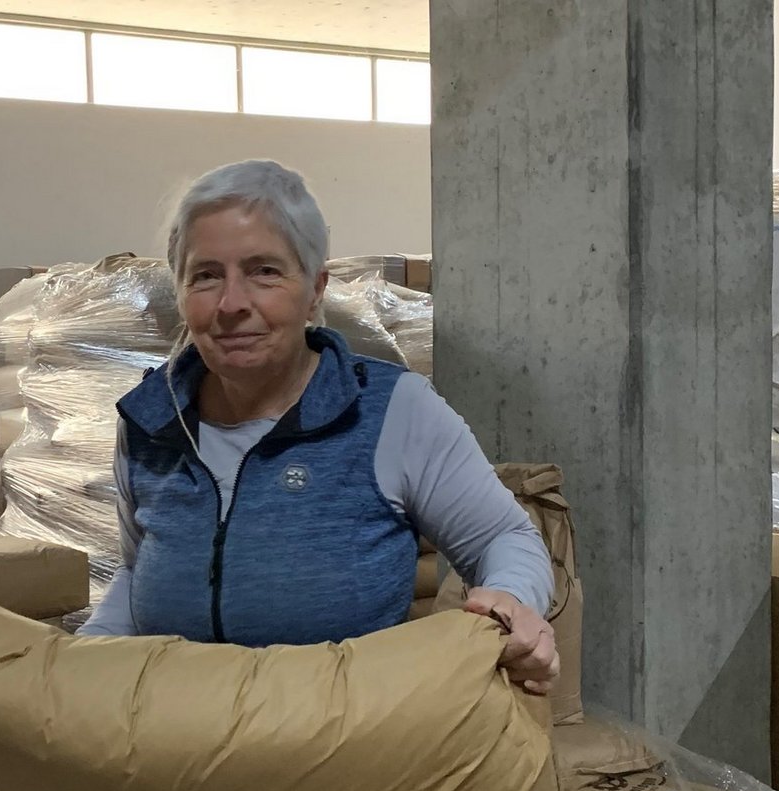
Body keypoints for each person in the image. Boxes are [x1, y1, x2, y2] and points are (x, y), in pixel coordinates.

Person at [78, 159, 559, 693]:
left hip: (343, 736)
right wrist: (87, 656)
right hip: (177, 734)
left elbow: (503, 537)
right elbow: (137, 569)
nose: (232, 304)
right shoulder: (151, 423)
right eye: (206, 275)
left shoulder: (392, 412)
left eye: (264, 271)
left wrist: (512, 599)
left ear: (315, 290)